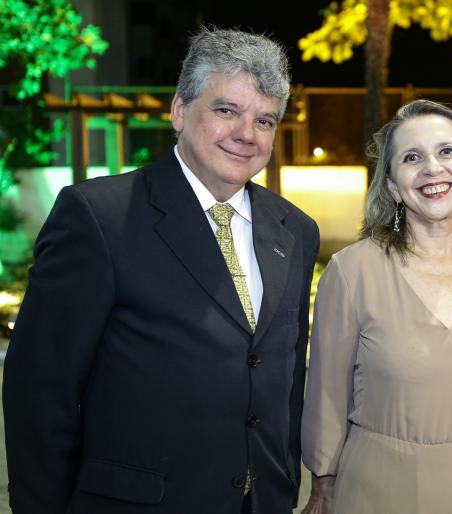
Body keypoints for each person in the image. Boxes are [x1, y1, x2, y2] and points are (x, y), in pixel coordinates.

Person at [3, 28, 319, 514]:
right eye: (226, 110)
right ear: (178, 110)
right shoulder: (99, 217)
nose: (246, 134)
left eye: (264, 120)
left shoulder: (295, 231)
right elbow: (40, 390)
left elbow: (285, 381)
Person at [300, 99, 452, 514]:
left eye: (447, 151)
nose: (432, 168)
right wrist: (323, 483)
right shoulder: (353, 271)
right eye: (411, 158)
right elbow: (327, 396)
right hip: (383, 486)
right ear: (391, 185)